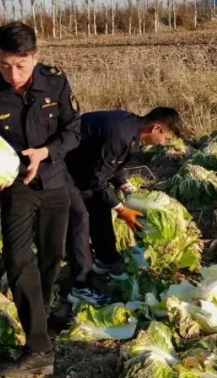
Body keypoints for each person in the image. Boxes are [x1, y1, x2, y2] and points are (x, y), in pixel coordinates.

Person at [0, 21, 80, 378]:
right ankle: (38, 348)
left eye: (21, 65)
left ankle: (41, 316)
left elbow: (73, 130)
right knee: (18, 262)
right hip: (15, 189)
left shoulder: (56, 82)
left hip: (55, 182)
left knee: (52, 256)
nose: (13, 75)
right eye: (4, 65)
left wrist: (45, 152)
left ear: (35, 56)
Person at [66, 107, 183, 283]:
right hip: (63, 167)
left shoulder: (132, 129)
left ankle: (107, 259)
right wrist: (122, 210)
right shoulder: (120, 134)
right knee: (80, 218)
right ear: (156, 128)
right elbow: (97, 178)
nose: (162, 143)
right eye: (165, 138)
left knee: (101, 205)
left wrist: (124, 185)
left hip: (86, 166)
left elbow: (111, 164)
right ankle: (82, 282)